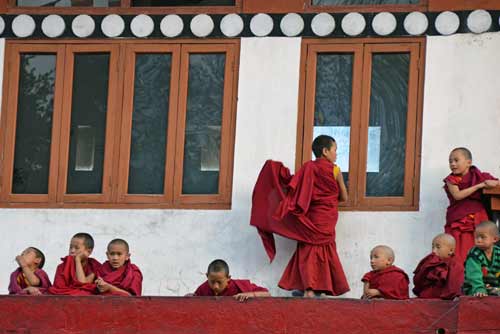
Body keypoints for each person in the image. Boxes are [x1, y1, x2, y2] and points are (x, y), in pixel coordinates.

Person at [250, 135, 349, 297]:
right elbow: (344, 198)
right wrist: (328, 198)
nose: (336, 154)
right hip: (327, 217)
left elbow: (296, 188)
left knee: (307, 249)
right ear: (325, 151)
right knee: (324, 250)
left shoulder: (308, 168)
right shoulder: (335, 170)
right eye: (335, 150)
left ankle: (307, 287)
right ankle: (317, 288)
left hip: (311, 217)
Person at [444, 147, 499, 262]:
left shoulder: (480, 176)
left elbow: (495, 183)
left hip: (478, 219)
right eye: (450, 161)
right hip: (458, 218)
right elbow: (457, 195)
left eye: (456, 160)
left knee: (480, 248)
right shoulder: (451, 179)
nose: (452, 164)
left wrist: (494, 183)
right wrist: (480, 185)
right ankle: (460, 278)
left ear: (468, 162)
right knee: (459, 253)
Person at [412, 233, 463, 299]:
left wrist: (454, 296)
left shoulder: (455, 265)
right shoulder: (429, 261)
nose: (434, 251)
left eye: (438, 247)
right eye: (433, 247)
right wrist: (426, 266)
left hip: (443, 301)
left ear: (451, 250)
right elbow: (418, 281)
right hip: (425, 299)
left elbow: (454, 285)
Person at [192, 259, 270, 301]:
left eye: (219, 282)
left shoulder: (238, 286)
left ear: (228, 278)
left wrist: (250, 295)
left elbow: (267, 294)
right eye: (212, 282)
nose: (215, 286)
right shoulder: (203, 288)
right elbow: (193, 301)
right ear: (207, 276)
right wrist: (189, 297)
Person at [463, 221, 500, 297]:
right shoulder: (474, 254)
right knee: (480, 295)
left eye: (483, 237)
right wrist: (479, 288)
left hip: (493, 287)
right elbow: (473, 274)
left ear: (495, 239)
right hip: (474, 287)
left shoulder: (498, 252)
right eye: (476, 237)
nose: (478, 240)